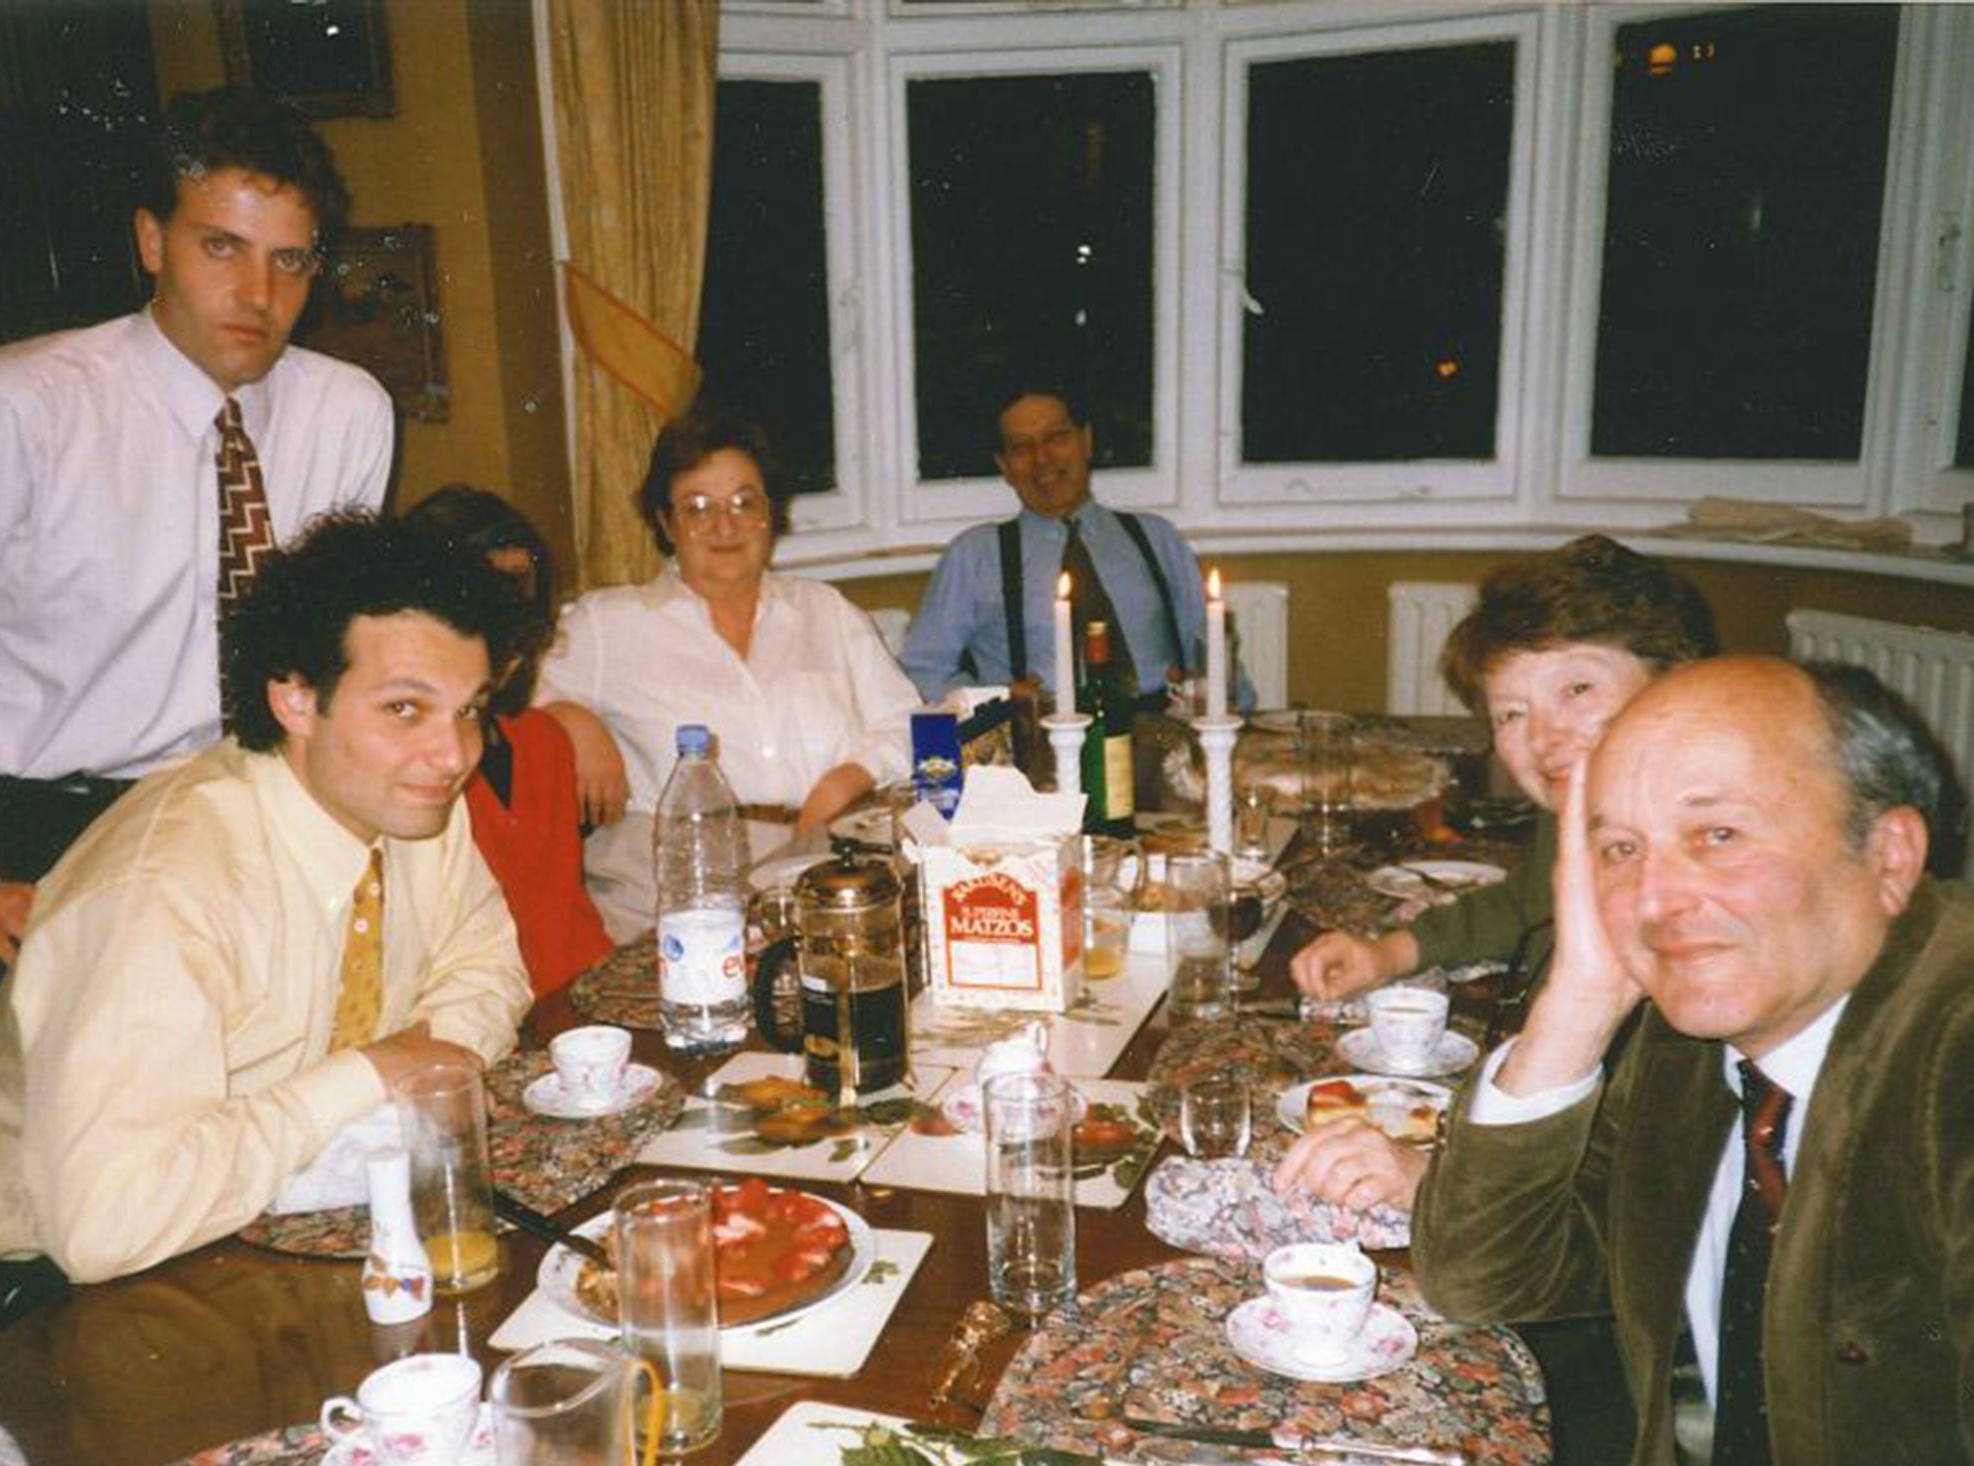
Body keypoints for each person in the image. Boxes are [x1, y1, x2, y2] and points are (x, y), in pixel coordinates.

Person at [0, 512, 528, 1356]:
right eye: (405, 709)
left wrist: (419, 1068)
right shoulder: (165, 888)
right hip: (33, 1307)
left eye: (469, 711)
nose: (451, 753)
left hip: (254, 1226)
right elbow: (105, 1223)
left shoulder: (409, 804)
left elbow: (487, 966)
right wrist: (364, 1079)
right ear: (295, 700)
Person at [0, 85, 393, 1134]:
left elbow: (330, 655)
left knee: (240, 1130)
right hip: (32, 830)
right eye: (220, 247)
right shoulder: (19, 407)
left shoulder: (346, 411)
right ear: (151, 240)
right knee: (48, 1167)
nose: (256, 292)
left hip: (234, 811)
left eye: (289, 260)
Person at [1414, 656, 1971, 1466]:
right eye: (1620, 851)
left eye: (1717, 835)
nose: (1658, 899)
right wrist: (1583, 995)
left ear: (1890, 855)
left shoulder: (1955, 1060)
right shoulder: (1691, 1047)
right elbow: (1486, 1276)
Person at [1277, 535, 1716, 1214]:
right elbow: (1520, 904)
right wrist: (1387, 952)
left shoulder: (1703, 901)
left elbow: (1644, 1193)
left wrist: (1437, 1188)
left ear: (1674, 680)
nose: (1544, 737)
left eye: (1577, 687)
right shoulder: (1584, 817)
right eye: (1512, 713)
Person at [538, 412, 921, 941]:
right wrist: (571, 718)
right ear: (666, 524)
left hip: (821, 863)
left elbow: (907, 722)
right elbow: (510, 692)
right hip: (667, 883)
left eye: (745, 502)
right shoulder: (610, 622)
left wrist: (846, 779)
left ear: (771, 515)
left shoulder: (824, 610)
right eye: (698, 508)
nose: (725, 525)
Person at [898, 385, 1255, 710]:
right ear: (1004, 466)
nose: (1042, 459)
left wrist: (1214, 691)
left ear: (1086, 441)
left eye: (1056, 437)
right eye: (1022, 448)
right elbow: (922, 668)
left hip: (1162, 733)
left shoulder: (1156, 537)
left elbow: (1214, 649)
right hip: (1043, 747)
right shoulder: (974, 555)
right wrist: (997, 701)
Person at [404, 486, 613, 996]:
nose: (510, 623)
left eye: (521, 594)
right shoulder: (415, 769)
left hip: (589, 1008)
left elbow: (573, 930)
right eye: (483, 600)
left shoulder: (545, 742)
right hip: (490, 1024)